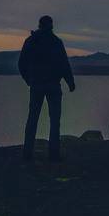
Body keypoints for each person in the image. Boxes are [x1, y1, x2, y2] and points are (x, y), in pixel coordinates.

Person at [17, 14, 75, 161]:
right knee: (54, 120)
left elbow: (21, 64)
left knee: (33, 119)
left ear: (39, 25)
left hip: (38, 85)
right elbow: (64, 64)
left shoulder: (31, 41)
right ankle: (53, 154)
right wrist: (70, 82)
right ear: (51, 26)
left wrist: (29, 80)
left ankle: (27, 153)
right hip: (52, 85)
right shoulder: (56, 42)